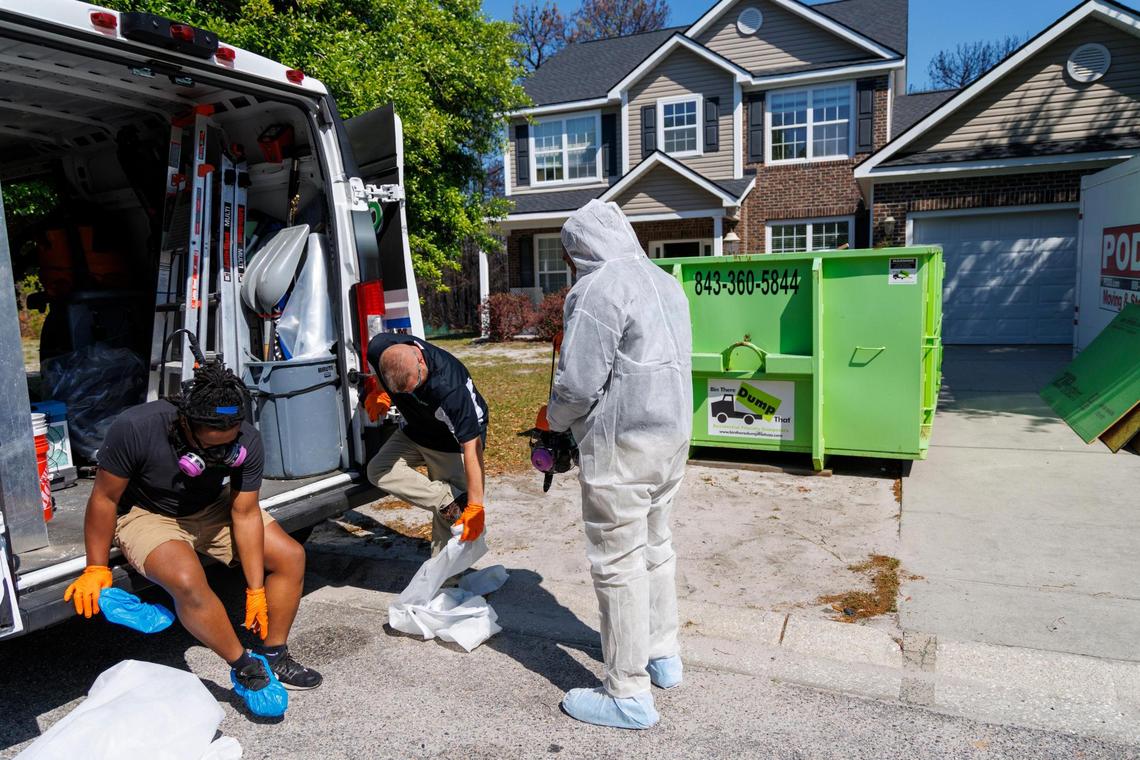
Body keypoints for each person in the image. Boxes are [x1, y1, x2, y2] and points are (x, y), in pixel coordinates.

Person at [63, 362, 321, 711]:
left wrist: (255, 589)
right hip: (146, 514)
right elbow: (104, 499)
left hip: (212, 508)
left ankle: (275, 654)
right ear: (185, 422)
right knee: (186, 579)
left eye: (228, 445)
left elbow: (244, 513)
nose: (220, 454)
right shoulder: (136, 428)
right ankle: (245, 668)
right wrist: (97, 568)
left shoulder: (247, 439)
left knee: (290, 556)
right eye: (211, 446)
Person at [544, 199, 693, 730]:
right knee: (657, 549)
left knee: (618, 564)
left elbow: (579, 383)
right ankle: (663, 655)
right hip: (670, 439)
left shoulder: (600, 288)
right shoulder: (664, 280)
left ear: (578, 247)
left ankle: (628, 693)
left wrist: (554, 421)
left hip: (622, 446)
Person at [361, 333, 488, 552]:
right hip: (416, 429)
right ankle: (450, 498)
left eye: (415, 385)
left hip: (451, 440)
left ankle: (449, 582)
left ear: (420, 360)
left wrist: (476, 506)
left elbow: (471, 446)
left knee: (448, 519)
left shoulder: (450, 388)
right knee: (378, 470)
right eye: (402, 393)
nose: (411, 393)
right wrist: (379, 392)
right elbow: (379, 375)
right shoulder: (378, 348)